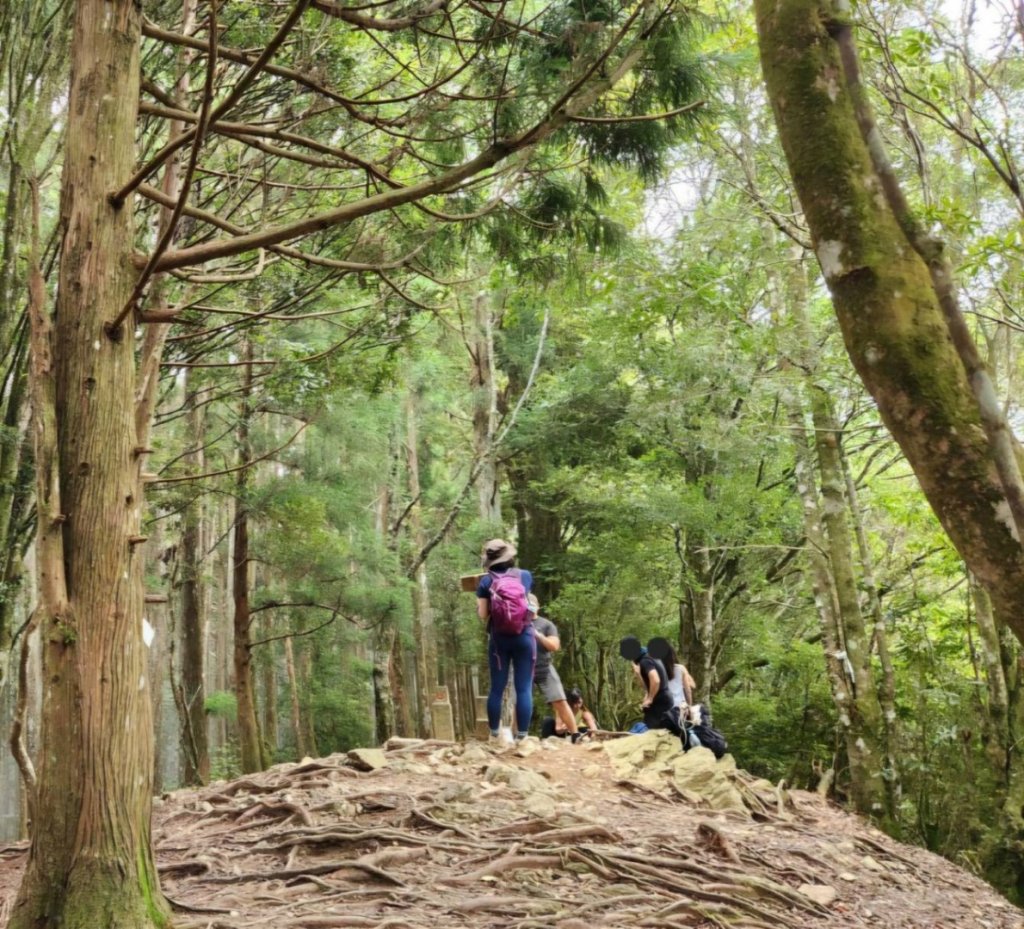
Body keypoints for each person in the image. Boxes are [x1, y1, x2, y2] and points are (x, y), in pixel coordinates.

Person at [477, 539, 535, 743]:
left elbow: (483, 614)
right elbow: (527, 604)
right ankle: (522, 737)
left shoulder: (485, 581)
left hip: (499, 639)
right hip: (524, 636)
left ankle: (494, 734)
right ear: (510, 557)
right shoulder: (525, 576)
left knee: (497, 688)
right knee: (524, 687)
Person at [530, 595, 587, 743]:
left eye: (532, 603)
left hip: (545, 666)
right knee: (518, 702)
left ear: (538, 605)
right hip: (523, 667)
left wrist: (538, 635)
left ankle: (575, 734)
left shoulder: (547, 624)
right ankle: (517, 735)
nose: (529, 605)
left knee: (560, 699)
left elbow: (554, 646)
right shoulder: (516, 623)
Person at [619, 635, 683, 738]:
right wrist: (639, 675)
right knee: (657, 731)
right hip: (663, 699)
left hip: (660, 701)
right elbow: (647, 685)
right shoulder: (648, 656)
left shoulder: (645, 661)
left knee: (653, 733)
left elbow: (656, 680)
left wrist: (650, 698)